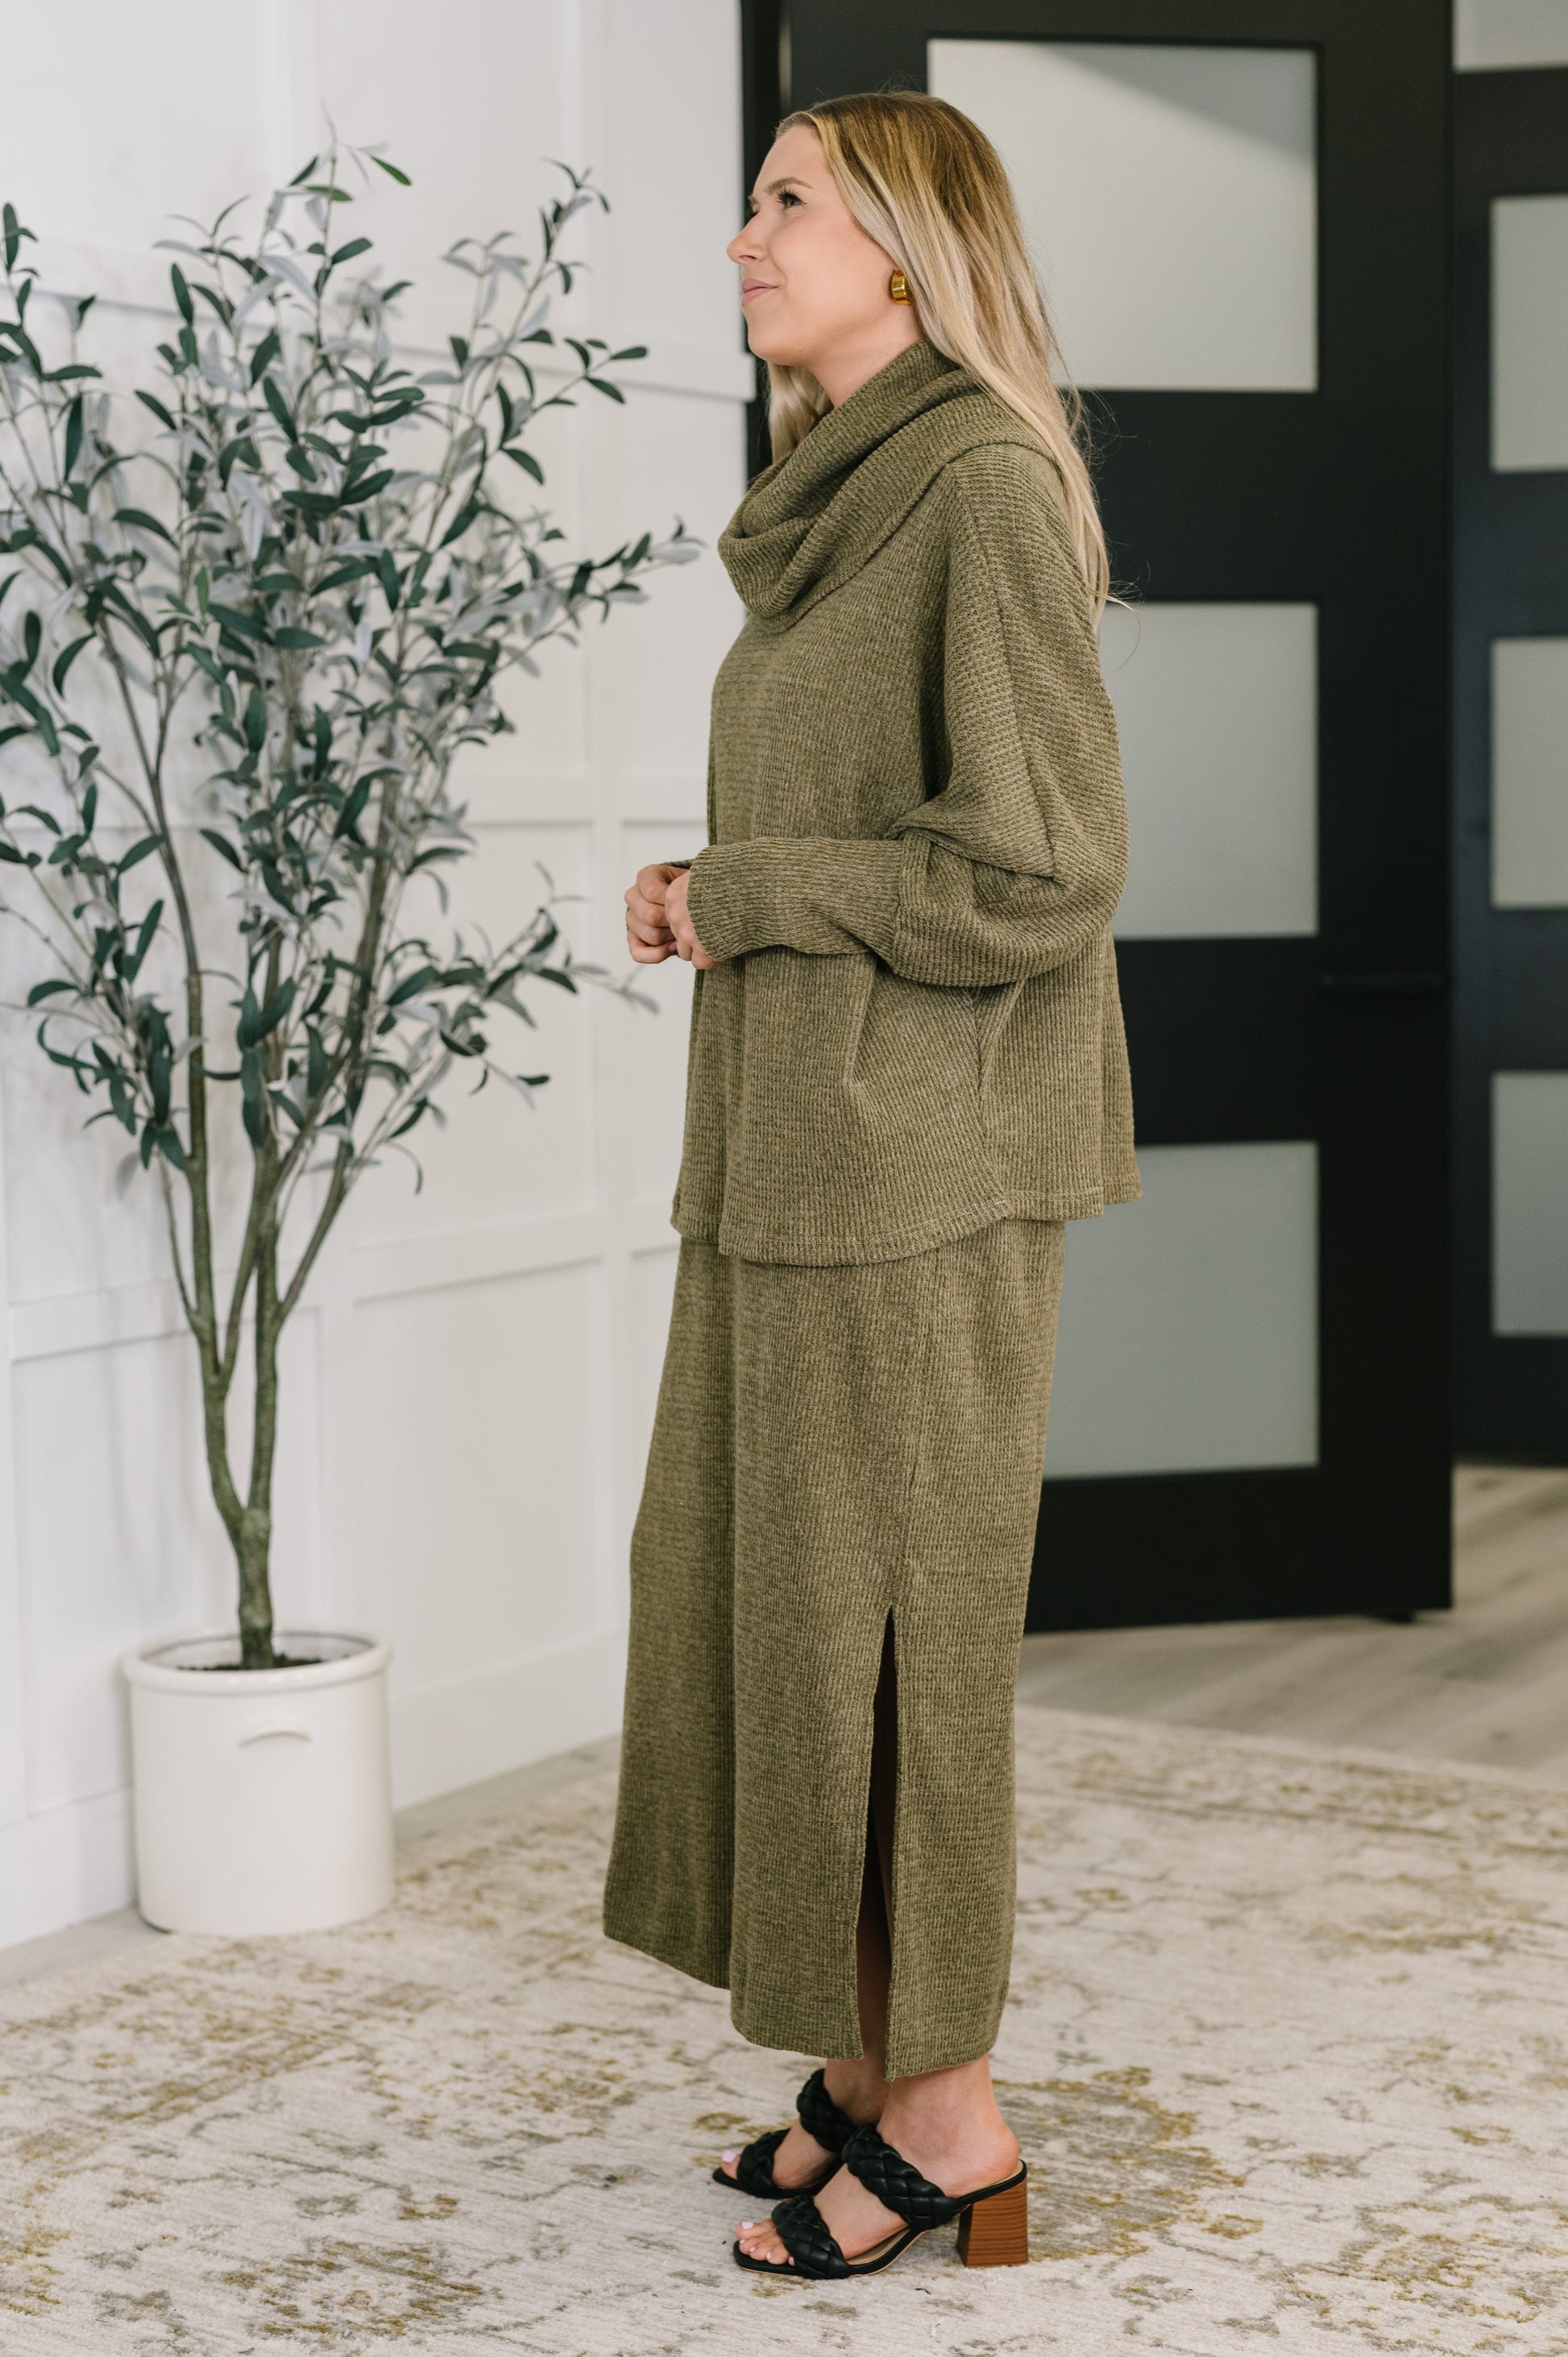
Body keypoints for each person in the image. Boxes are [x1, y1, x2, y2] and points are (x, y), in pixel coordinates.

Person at [603, 88, 1137, 2284]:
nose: (743, 237)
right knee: (791, 1614)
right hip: (804, 1153)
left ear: (905, 247)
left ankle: (954, 2112)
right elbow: (886, 835)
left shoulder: (977, 484)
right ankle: (862, 2050)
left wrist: (752, 891)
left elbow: (1043, 870)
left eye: (786, 202)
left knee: (901, 1641)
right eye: (752, 201)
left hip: (919, 1173)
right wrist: (726, 887)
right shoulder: (845, 493)